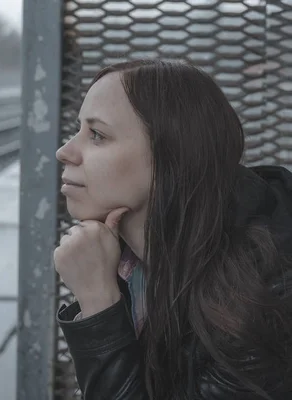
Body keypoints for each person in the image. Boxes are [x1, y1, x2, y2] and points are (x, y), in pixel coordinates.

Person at [54, 59, 292, 399]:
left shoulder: (269, 298)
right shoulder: (131, 259)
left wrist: (99, 305)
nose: (65, 152)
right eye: (78, 130)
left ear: (172, 157)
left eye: (96, 135)